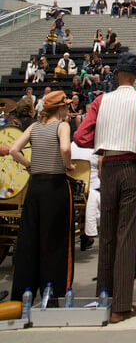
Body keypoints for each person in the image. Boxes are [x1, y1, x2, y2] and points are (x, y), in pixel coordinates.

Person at [74, 52, 136, 324]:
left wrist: (103, 140)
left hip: (107, 166)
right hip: (131, 167)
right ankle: (121, 305)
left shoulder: (100, 101)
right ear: (134, 76)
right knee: (127, 233)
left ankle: (105, 296)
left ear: (116, 75)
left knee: (108, 232)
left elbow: (81, 136)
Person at [10, 91, 75, 301]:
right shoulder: (62, 126)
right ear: (61, 108)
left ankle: (23, 292)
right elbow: (65, 147)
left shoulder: (35, 126)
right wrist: (68, 164)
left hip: (35, 185)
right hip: (55, 184)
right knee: (55, 239)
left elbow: (14, 150)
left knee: (29, 239)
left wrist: (28, 164)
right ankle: (54, 290)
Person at [71, 141, 101, 251]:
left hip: (75, 188)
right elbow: (101, 171)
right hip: (91, 187)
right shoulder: (96, 147)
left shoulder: (71, 145)